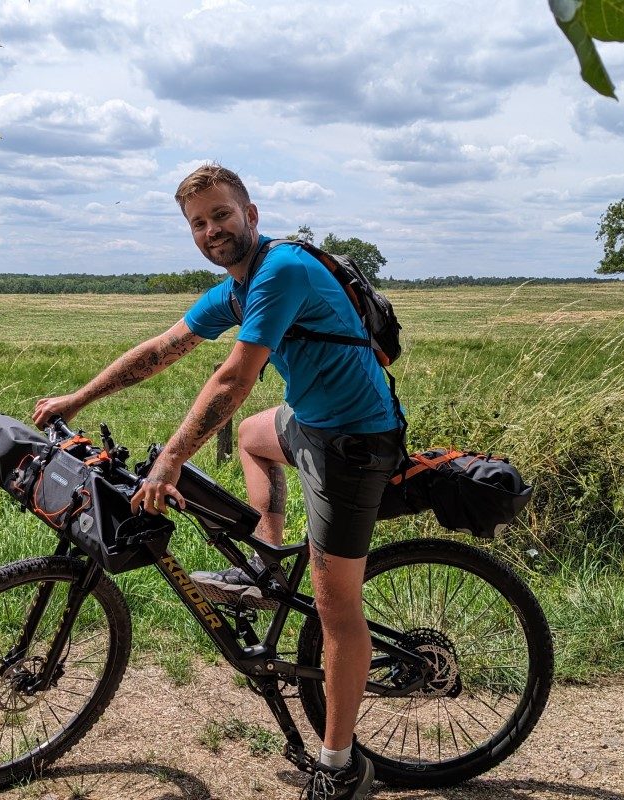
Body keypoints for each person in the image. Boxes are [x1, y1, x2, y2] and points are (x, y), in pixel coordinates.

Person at [33, 163, 402, 800]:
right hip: (307, 420)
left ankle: (340, 766)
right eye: (198, 223)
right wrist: (78, 396)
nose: (212, 230)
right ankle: (267, 565)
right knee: (254, 439)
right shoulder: (236, 287)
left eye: (222, 215)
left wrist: (169, 461)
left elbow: (234, 378)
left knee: (336, 606)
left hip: (355, 441)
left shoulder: (280, 271)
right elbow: (162, 350)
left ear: (251, 215)